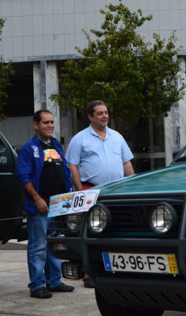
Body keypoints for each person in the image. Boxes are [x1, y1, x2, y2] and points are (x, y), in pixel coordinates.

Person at [65, 100, 134, 288]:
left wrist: (134, 187)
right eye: (100, 113)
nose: (105, 116)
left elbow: (126, 163)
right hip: (90, 191)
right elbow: (73, 166)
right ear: (90, 116)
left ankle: (117, 270)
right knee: (91, 234)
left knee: (117, 231)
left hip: (117, 192)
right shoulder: (79, 139)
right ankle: (90, 274)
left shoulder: (117, 137)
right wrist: (80, 191)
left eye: (106, 112)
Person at [16, 110, 76, 299]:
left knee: (55, 245)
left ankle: (54, 281)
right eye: (45, 123)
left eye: (52, 122)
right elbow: (23, 177)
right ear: (36, 125)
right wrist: (37, 199)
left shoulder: (56, 145)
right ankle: (36, 285)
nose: (50, 125)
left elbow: (64, 173)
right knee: (38, 246)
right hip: (40, 206)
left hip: (59, 205)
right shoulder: (29, 148)